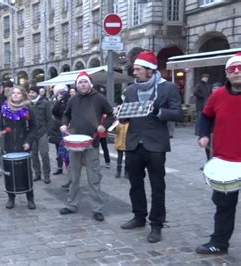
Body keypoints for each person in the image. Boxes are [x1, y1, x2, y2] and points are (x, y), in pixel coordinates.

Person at [119, 51, 183, 243]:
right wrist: (121, 114)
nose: (134, 72)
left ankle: (156, 225)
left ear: (150, 70)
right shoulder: (130, 90)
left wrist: (159, 111)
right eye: (134, 69)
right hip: (133, 143)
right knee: (135, 185)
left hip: (155, 144)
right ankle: (139, 217)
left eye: (138, 69)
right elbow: (126, 117)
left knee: (157, 186)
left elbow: (178, 113)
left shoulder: (168, 88)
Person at [195, 53, 241, 255]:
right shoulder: (218, 95)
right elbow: (205, 116)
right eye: (233, 69)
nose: (237, 71)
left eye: (240, 67)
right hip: (225, 160)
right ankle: (219, 243)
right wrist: (203, 135)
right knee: (224, 206)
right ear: (227, 73)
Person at [59, 71, 114, 222]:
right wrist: (64, 124)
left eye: (85, 82)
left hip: (92, 143)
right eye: (80, 83)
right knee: (73, 175)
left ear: (89, 83)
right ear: (77, 85)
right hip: (74, 142)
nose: (83, 85)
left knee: (93, 177)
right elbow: (66, 114)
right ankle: (72, 204)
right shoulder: (73, 100)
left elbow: (111, 114)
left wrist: (105, 127)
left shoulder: (99, 98)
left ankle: (97, 208)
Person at [0, 86, 37, 209]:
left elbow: (34, 128)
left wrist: (28, 141)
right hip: (8, 145)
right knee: (10, 173)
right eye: (13, 93)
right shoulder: (5, 109)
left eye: (18, 93)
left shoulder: (28, 108)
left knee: (26, 172)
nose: (16, 95)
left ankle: (30, 198)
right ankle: (11, 198)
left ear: (23, 95)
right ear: (10, 95)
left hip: (23, 145)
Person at [28, 86, 52, 184]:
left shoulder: (45, 103)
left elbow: (49, 119)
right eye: (30, 92)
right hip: (32, 133)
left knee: (44, 154)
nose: (30, 94)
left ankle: (46, 175)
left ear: (37, 93)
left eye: (33, 92)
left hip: (43, 132)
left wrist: (48, 132)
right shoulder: (28, 104)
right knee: (34, 155)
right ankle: (37, 173)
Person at [0, 80, 14, 176]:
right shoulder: (0, 99)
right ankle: (2, 168)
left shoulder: (17, 97)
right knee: (3, 148)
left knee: (14, 147)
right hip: (3, 127)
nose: (7, 89)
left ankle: (13, 166)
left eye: (9, 87)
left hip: (15, 128)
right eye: (6, 87)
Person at [49, 84, 70, 176]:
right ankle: (59, 167)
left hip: (67, 125)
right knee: (58, 148)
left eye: (63, 90)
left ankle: (69, 167)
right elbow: (53, 111)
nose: (61, 92)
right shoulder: (54, 100)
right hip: (57, 126)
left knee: (68, 148)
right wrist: (59, 100)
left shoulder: (69, 100)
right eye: (59, 91)